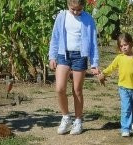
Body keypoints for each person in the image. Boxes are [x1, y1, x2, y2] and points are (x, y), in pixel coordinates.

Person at [48, 0, 99, 135]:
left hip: (80, 56)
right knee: (60, 88)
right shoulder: (61, 16)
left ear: (83, 7)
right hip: (63, 54)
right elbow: (55, 36)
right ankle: (65, 117)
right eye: (73, 9)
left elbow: (93, 42)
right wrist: (52, 56)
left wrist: (94, 63)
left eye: (79, 10)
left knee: (77, 90)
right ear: (67, 5)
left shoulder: (88, 19)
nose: (76, 12)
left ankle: (78, 120)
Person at [97, 33, 133, 137]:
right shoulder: (119, 58)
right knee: (126, 108)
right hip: (123, 87)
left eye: (125, 44)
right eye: (121, 46)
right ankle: (125, 128)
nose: (123, 47)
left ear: (131, 44)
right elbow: (111, 67)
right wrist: (103, 73)